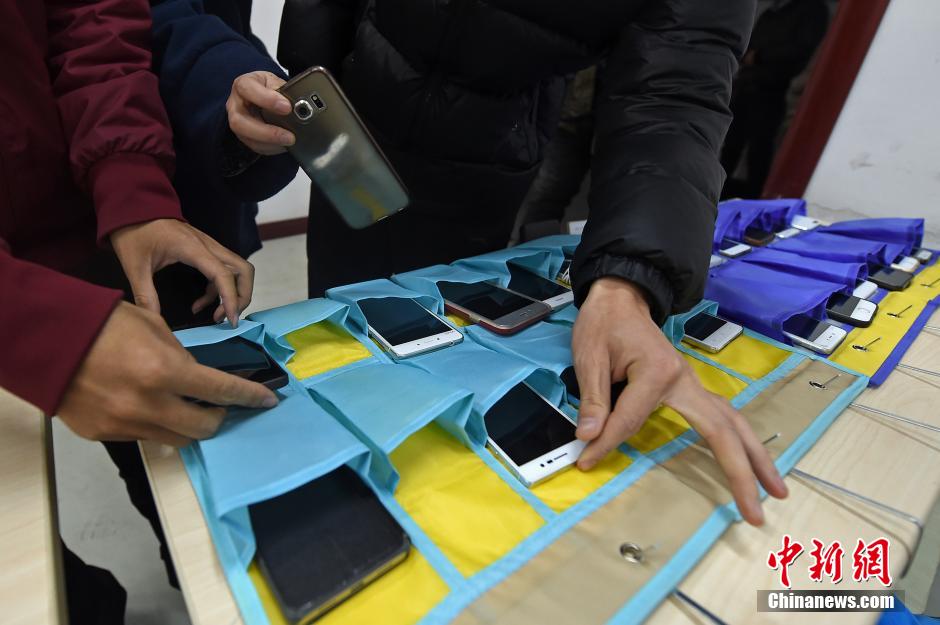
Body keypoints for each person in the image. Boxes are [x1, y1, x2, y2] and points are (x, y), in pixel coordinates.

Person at [216, 0, 788, 526]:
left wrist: (628, 283)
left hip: (482, 157)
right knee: (345, 333)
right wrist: (304, 76)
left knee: (442, 354)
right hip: (349, 131)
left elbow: (675, 93)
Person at [0, 0, 278, 621]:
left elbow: (89, 23)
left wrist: (131, 190)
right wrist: (27, 326)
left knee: (174, 446)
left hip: (94, 216)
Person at [721, 0, 830, 198]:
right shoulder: (774, 11)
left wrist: (761, 56)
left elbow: (800, 50)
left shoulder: (812, 11)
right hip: (747, 83)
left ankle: (753, 201)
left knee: (759, 149)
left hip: (774, 89)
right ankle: (717, 195)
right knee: (731, 144)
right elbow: (750, 41)